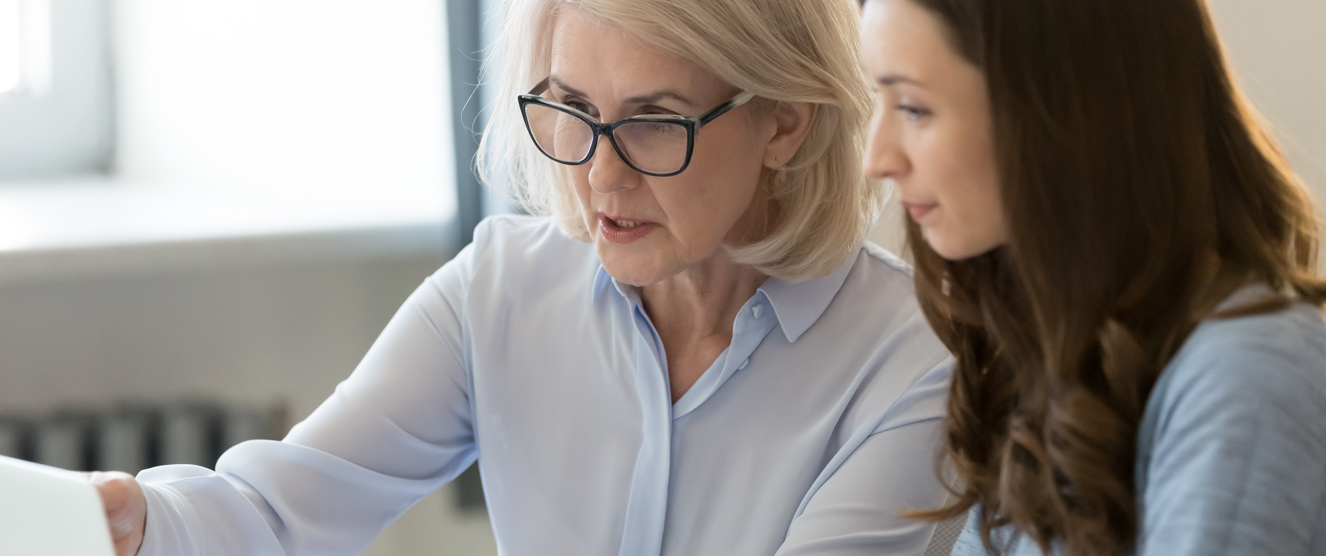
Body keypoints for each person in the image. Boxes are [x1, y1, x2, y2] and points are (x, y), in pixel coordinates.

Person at [90, 0, 958, 554]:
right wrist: (141, 522)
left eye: (655, 123)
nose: (600, 178)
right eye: (573, 110)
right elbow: (280, 511)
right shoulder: (500, 291)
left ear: (786, 123)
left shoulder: (914, 362)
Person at [856, 0, 1326, 554]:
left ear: (1063, 107)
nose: (877, 158)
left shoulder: (1249, 372)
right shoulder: (1061, 362)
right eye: (878, 102)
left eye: (912, 108)